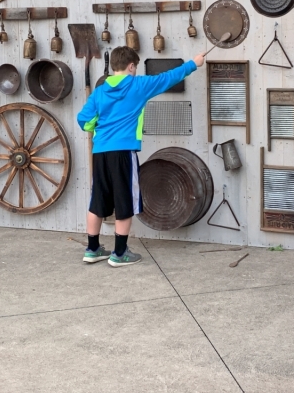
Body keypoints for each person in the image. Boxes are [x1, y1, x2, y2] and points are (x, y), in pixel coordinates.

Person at [77, 45, 205, 267]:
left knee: (97, 200)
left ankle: (92, 249)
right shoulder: (138, 85)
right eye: (134, 67)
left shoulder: (99, 91)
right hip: (123, 152)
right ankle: (119, 254)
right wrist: (194, 63)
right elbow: (168, 78)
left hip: (100, 152)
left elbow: (83, 120)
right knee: (125, 201)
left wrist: (99, 129)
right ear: (131, 66)